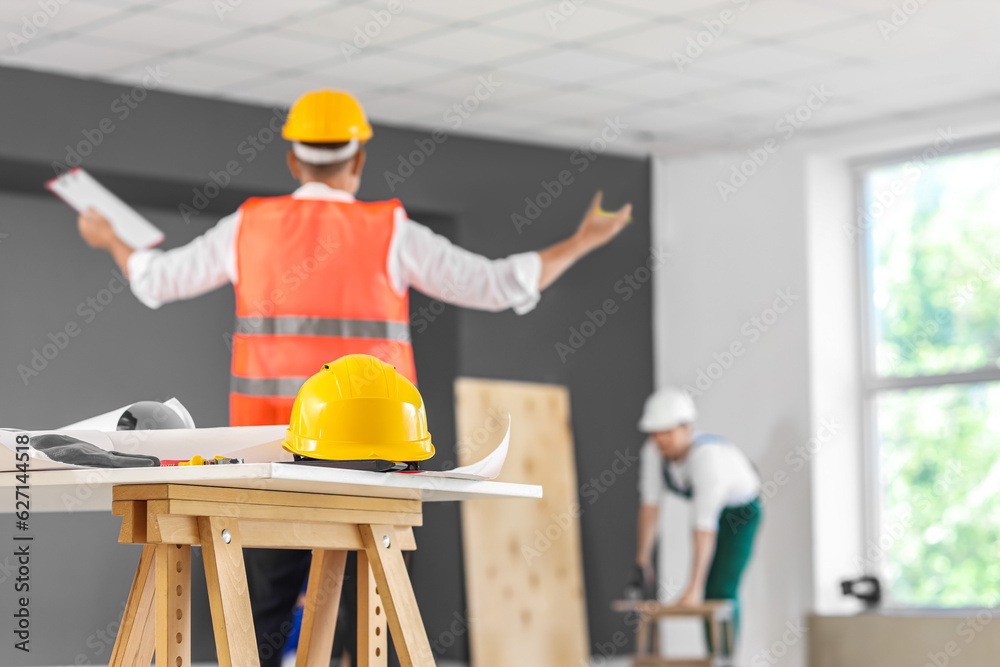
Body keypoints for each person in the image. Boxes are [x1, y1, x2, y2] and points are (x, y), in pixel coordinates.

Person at [77, 89, 632, 665]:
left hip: (269, 461)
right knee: (364, 621)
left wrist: (111, 239)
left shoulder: (248, 227)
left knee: (258, 621)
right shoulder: (391, 231)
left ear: (293, 161)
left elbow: (156, 280)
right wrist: (583, 240)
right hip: (372, 469)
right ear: (358, 159)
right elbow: (497, 284)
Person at [631, 387, 761, 655]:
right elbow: (651, 507)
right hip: (713, 517)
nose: (660, 440)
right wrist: (642, 561)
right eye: (655, 433)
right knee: (709, 590)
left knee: (719, 589)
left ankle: (723, 659)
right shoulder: (654, 453)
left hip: (741, 514)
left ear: (687, 428)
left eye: (667, 432)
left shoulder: (708, 460)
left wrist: (692, 588)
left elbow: (703, 527)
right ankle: (713, 657)